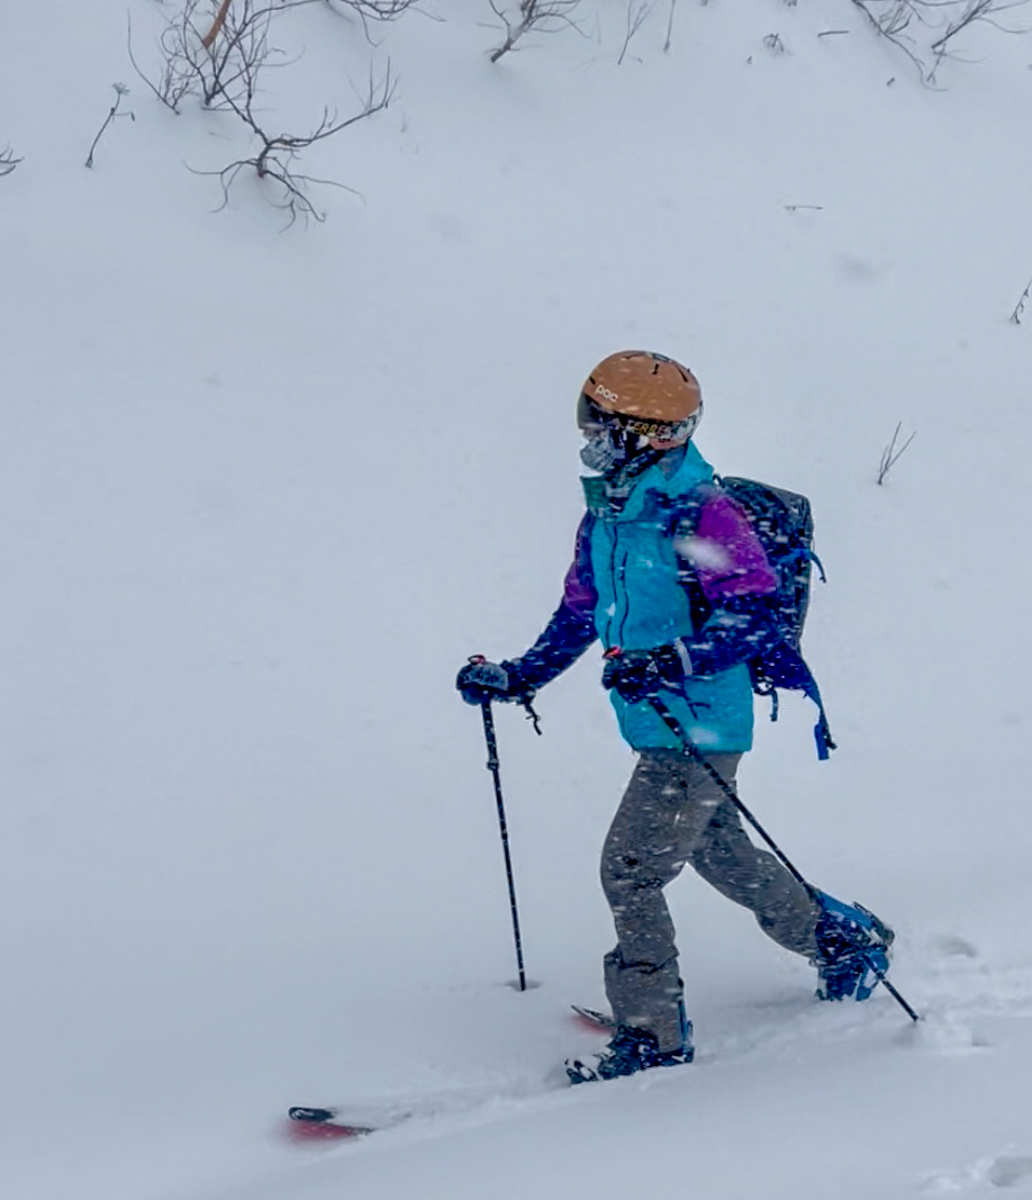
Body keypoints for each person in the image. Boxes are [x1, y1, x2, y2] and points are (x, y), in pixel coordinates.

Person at [456, 350, 892, 1084]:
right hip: (658, 719)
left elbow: (753, 621)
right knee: (720, 853)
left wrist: (667, 663)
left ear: (647, 433)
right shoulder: (611, 511)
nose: (589, 437)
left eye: (602, 424)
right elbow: (582, 611)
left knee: (629, 871)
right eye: (587, 418)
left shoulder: (701, 510)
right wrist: (519, 676)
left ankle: (653, 1035)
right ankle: (842, 941)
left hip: (700, 724)